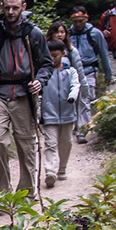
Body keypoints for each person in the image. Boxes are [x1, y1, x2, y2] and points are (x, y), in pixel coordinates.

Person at [0, 0, 51, 204]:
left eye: (15, 7)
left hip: (25, 94)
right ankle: (3, 195)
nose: (11, 11)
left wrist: (40, 81)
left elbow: (46, 64)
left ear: (23, 8)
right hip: (0, 93)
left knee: (26, 145)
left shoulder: (34, 34)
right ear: (2, 8)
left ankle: (26, 193)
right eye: (7, 7)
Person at [37, 39, 80, 188]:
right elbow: (39, 94)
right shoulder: (43, 74)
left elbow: (76, 85)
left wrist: (72, 97)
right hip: (49, 114)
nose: (52, 59)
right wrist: (38, 112)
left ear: (63, 54)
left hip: (68, 113)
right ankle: (50, 172)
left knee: (66, 142)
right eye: (50, 56)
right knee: (50, 143)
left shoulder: (70, 71)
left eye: (55, 55)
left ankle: (62, 169)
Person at [66, 6, 112, 143]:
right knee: (73, 99)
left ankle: (82, 130)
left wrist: (107, 73)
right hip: (71, 72)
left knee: (85, 99)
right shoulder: (67, 34)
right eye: (75, 21)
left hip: (89, 70)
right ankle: (76, 125)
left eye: (80, 21)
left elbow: (104, 54)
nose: (78, 24)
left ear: (86, 18)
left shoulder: (95, 34)